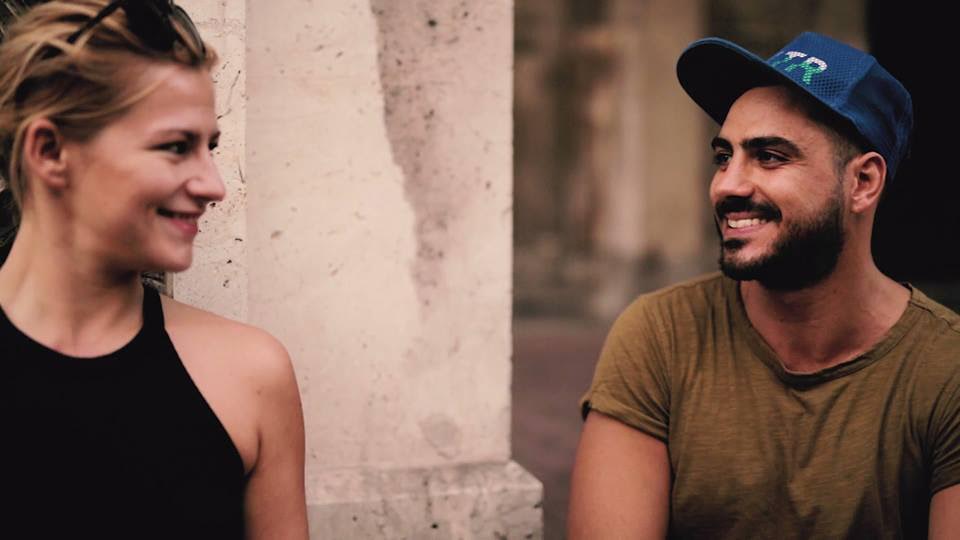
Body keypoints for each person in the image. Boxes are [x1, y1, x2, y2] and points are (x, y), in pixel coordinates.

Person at [569, 31, 960, 538]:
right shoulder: (662, 335)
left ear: (862, 183)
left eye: (770, 156)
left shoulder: (945, 371)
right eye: (723, 156)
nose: (727, 185)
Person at [0, 1, 308, 538]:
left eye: (210, 148)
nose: (214, 186)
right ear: (49, 151)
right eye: (175, 146)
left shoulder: (249, 377)